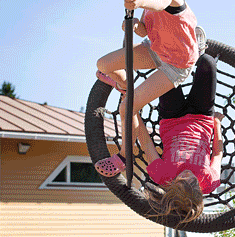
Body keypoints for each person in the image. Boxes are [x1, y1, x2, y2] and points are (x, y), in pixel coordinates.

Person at [96, 0, 201, 149]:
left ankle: (125, 156)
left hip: (176, 63)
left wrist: (139, 1)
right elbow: (145, 30)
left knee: (127, 108)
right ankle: (127, 85)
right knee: (103, 65)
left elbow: (161, 2)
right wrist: (134, 24)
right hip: (156, 50)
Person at [95, 54, 223, 225]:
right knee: (207, 62)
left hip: (172, 117)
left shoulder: (163, 176)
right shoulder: (209, 181)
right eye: (192, 180)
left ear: (171, 186)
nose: (187, 174)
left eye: (181, 180)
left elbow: (147, 143)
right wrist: (217, 123)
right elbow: (218, 153)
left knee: (165, 63)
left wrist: (133, 111)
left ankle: (124, 86)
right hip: (202, 116)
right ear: (199, 190)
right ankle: (192, 49)